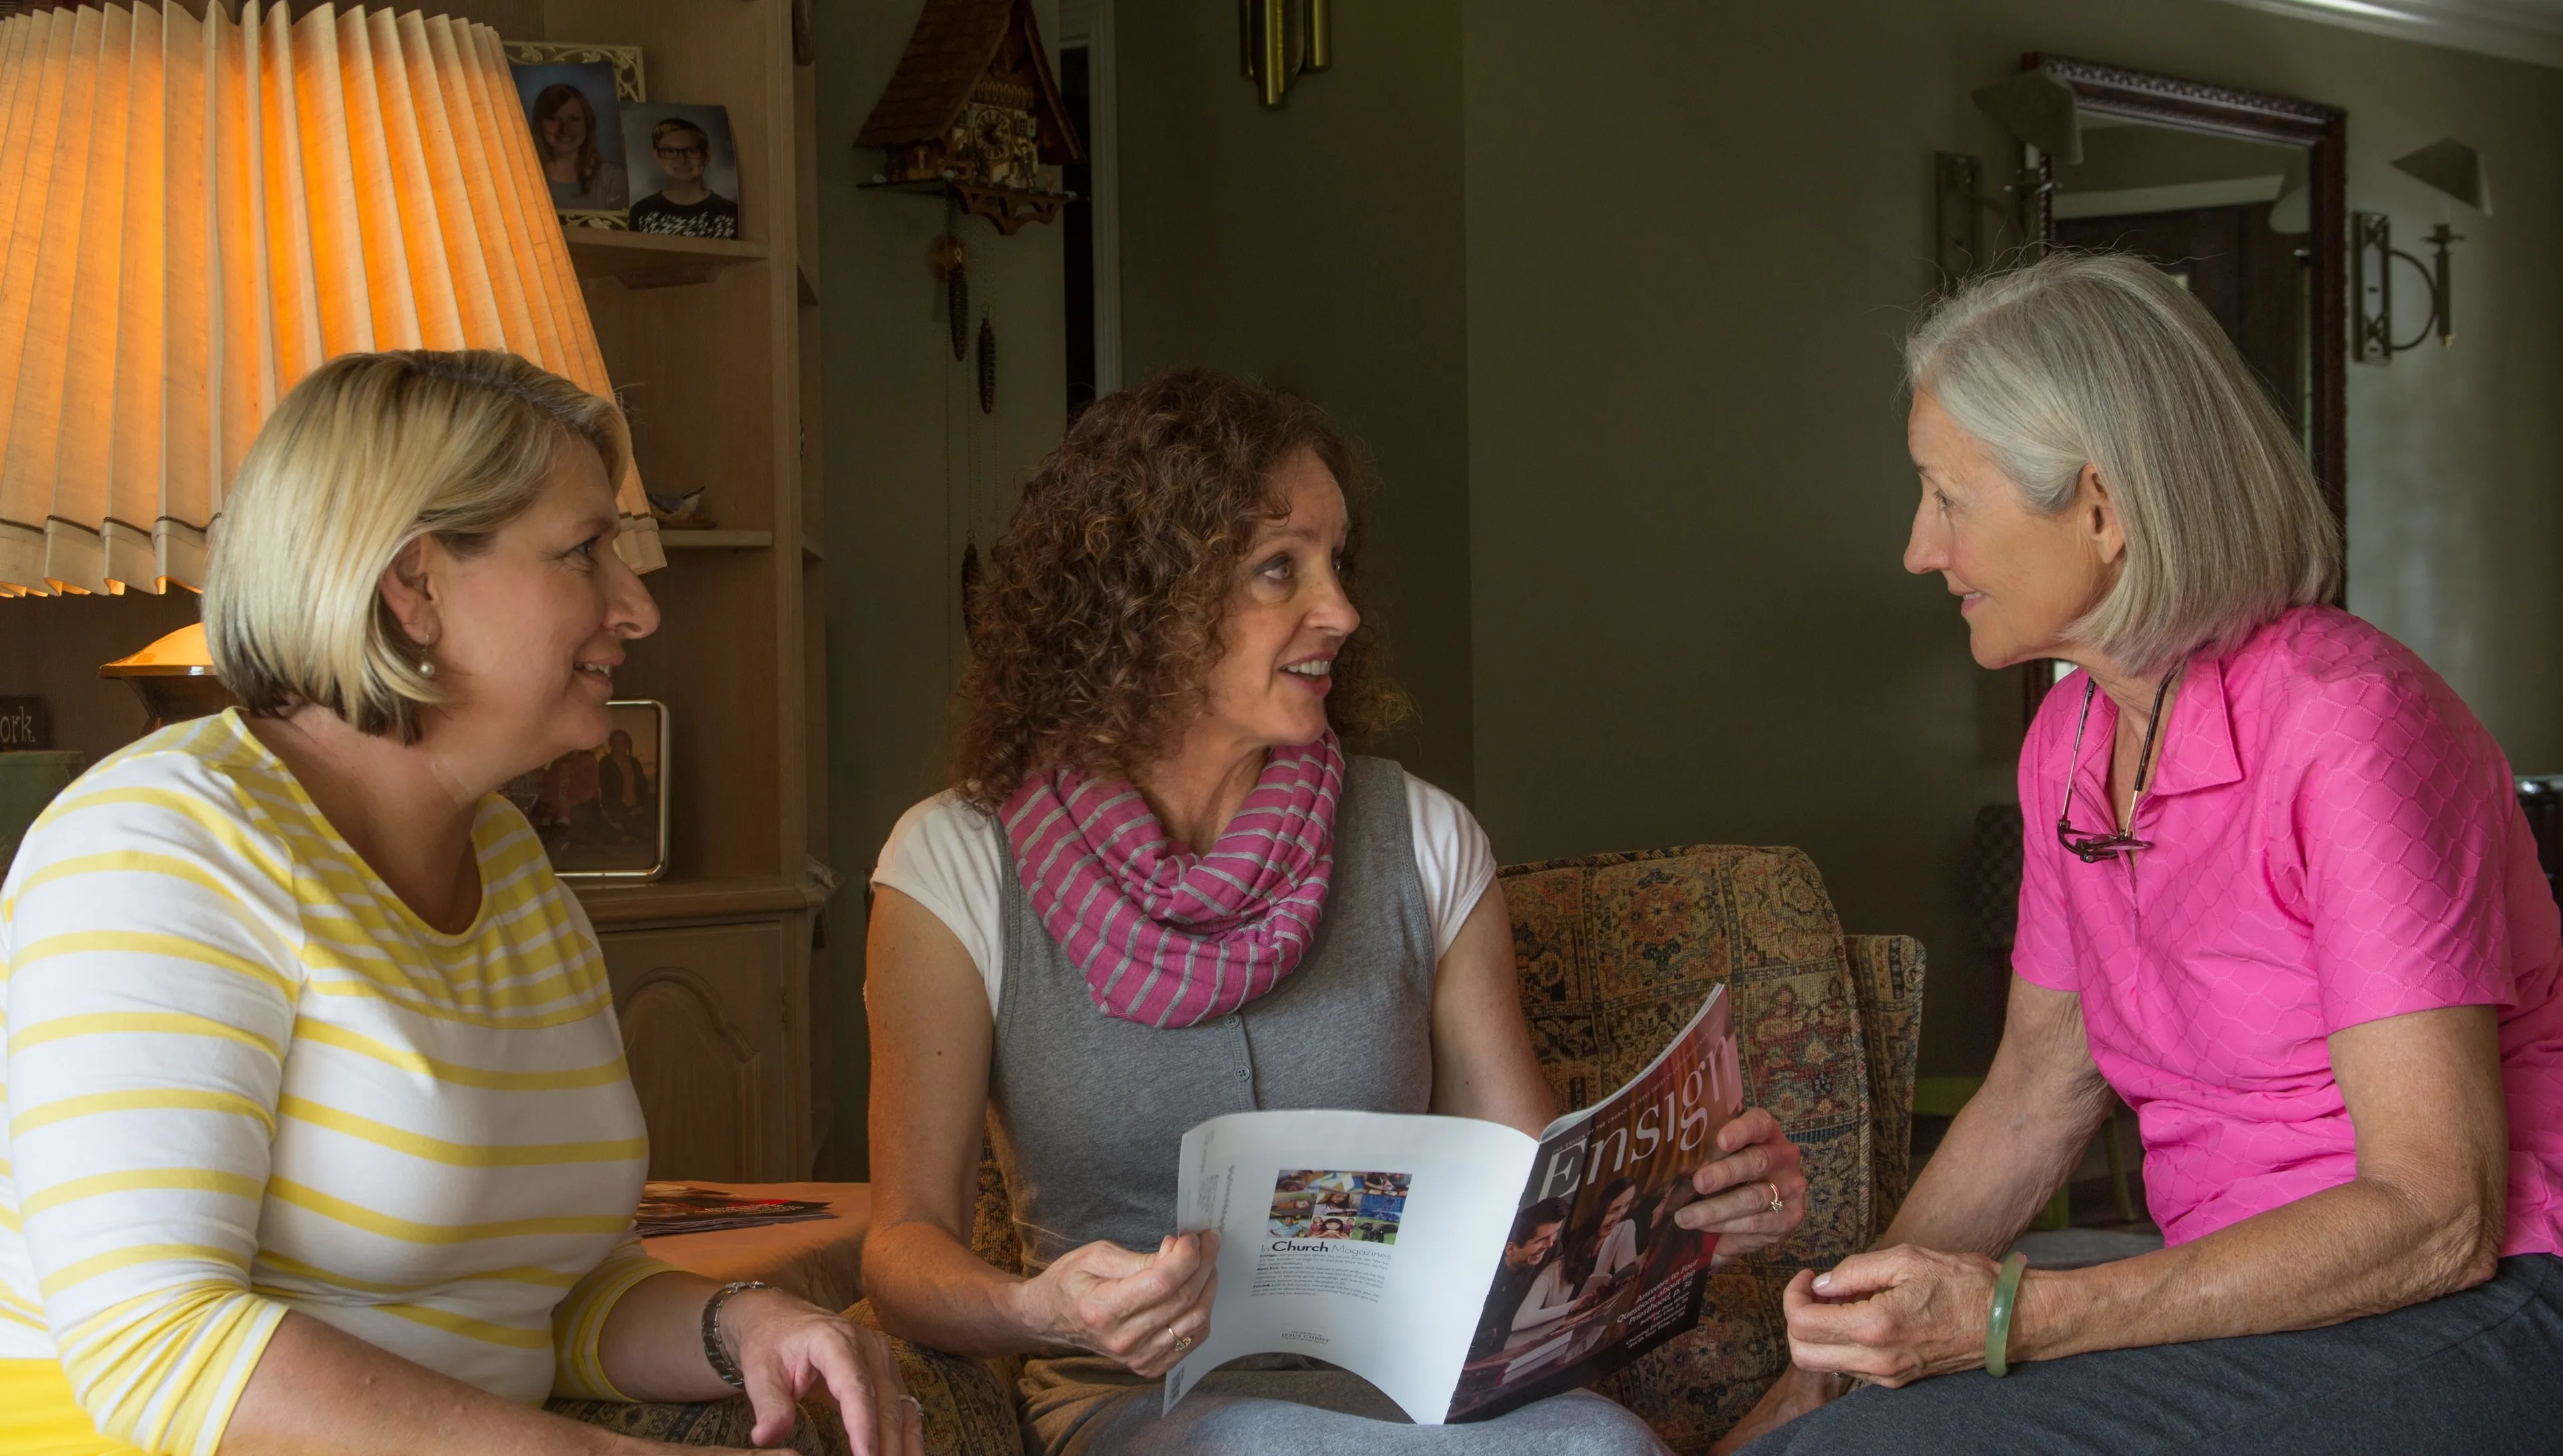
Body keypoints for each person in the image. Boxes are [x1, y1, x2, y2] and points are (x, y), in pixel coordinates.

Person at [861, 369, 1811, 1455]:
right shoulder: (955, 860)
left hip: (1429, 1400)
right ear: (1144, 598)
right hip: (1149, 1409)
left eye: (1336, 561)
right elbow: (903, 1244)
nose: (1343, 612)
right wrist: (1039, 1309)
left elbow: (1527, 1202)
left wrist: (1688, 1212)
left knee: (1601, 1447)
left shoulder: (1424, 836)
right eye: (1280, 569)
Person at [0, 350, 918, 1456]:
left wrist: (747, 1323)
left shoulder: (511, 866)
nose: (637, 604)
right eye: (583, 551)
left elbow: (541, 1300)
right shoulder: (161, 847)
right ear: (413, 584)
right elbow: (161, 1347)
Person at [1721, 252, 2563, 1454]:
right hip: (2244, 1294)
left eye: (1948, 498)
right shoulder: (2072, 738)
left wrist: (2016, 1310)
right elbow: (2034, 1095)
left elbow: (2438, 1213)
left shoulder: (2351, 724)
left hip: (2490, 1294)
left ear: (2104, 510)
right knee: (1844, 1436)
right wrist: (1820, 1377)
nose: (1919, 548)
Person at [628, 117, 739, 240]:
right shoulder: (642, 212)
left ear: (707, 155)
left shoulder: (731, 213)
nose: (682, 160)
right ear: (657, 155)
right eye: (670, 151)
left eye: (692, 151)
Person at [531, 83, 627, 211]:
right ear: (540, 124)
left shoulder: (611, 180)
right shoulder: (524, 177)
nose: (564, 129)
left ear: (588, 124)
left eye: (574, 119)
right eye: (554, 119)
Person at [1576, 1178, 1643, 1299]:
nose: (1619, 1215)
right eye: (1615, 1209)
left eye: (1627, 1205)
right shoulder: (1577, 1237)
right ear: (1602, 1206)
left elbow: (1626, 1274)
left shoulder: (1624, 1228)